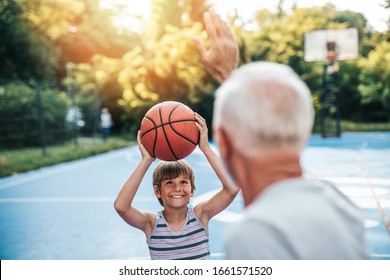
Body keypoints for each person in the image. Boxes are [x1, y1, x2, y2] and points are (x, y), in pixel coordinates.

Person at [194, 10, 369, 259]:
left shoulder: (256, 235)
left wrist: (230, 78)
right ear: (303, 133)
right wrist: (228, 76)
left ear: (223, 141)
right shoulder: (338, 204)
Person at [114, 113, 239, 260]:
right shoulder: (151, 224)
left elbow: (232, 188)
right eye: (169, 183)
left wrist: (205, 148)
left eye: (183, 182)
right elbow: (121, 207)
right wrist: (146, 160)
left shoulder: (200, 215)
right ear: (157, 191)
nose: (177, 188)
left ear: (192, 190)